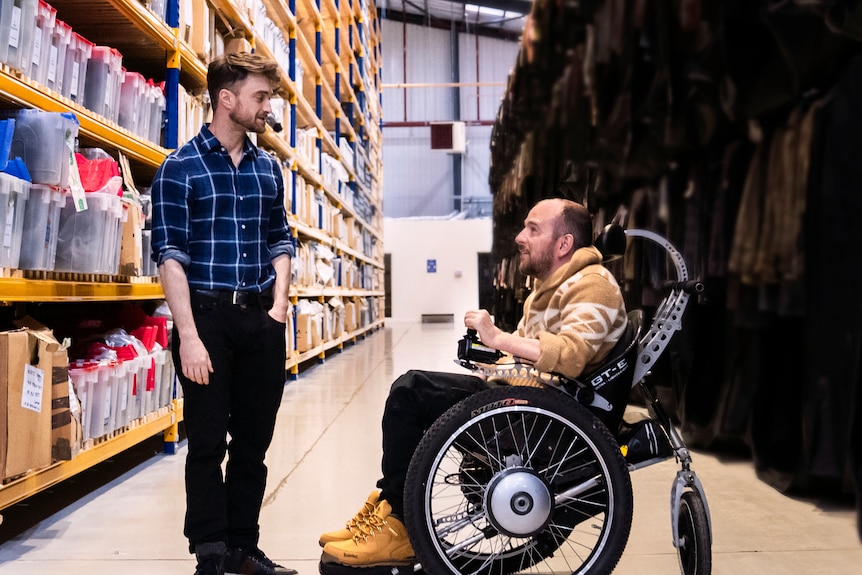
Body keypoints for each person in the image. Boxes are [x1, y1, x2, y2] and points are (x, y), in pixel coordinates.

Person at [319, 198, 628, 568]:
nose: (519, 237)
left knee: (411, 392)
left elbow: (571, 354)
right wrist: (494, 356)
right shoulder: (554, 285)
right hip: (526, 401)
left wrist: (498, 338)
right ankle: (390, 507)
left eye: (533, 229)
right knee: (414, 390)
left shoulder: (592, 285)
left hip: (540, 420)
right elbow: (536, 351)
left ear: (563, 244)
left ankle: (399, 524)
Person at [151, 52, 296, 575]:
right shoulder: (179, 167)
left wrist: (278, 309)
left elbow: (281, 239)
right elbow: (169, 256)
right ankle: (210, 553)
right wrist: (188, 337)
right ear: (226, 99)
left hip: (260, 319)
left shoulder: (268, 168)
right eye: (260, 97)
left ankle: (243, 547)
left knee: (254, 443)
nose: (268, 107)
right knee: (208, 442)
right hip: (206, 320)